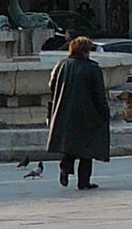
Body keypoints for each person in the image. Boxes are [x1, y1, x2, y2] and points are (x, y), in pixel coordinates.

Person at [46, 36, 111, 190]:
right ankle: (83, 182)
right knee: (87, 149)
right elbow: (99, 95)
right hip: (87, 114)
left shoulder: (62, 65)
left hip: (65, 112)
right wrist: (105, 113)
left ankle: (65, 166)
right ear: (85, 51)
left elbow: (52, 87)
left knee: (71, 145)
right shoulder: (92, 68)